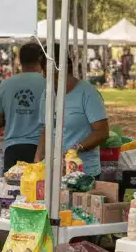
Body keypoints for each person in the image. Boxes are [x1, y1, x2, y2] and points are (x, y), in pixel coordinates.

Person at [34, 47, 109, 178]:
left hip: (84, 173)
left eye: (49, 71)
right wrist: (38, 158)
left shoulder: (88, 93)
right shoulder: (47, 94)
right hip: (55, 171)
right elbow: (46, 128)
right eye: (44, 71)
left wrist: (76, 149)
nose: (45, 76)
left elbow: (102, 132)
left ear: (63, 68)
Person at [0, 42, 47, 170]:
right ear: (41, 60)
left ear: (19, 60)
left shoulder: (6, 84)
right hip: (41, 149)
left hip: (13, 148)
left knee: (12, 188)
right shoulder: (48, 84)